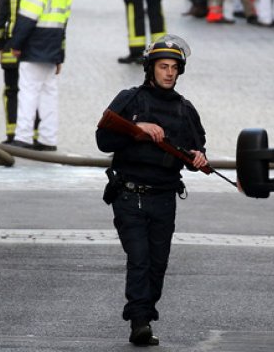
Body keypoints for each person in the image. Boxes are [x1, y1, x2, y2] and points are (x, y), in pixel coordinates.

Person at [95, 35, 208, 346]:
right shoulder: (130, 100)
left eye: (174, 68)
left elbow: (196, 151)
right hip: (129, 195)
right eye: (163, 67)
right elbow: (103, 139)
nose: (169, 73)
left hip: (164, 197)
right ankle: (139, 321)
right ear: (150, 68)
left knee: (158, 263)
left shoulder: (186, 110)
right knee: (140, 258)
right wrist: (139, 129)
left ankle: (145, 311)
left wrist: (198, 158)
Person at [8, 0, 72, 152]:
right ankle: (48, 139)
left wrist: (16, 44)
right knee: (48, 93)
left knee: (27, 90)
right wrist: (60, 54)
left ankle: (23, 137)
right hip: (53, 41)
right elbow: (64, 20)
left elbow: (28, 15)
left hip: (35, 40)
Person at [0, 0, 40, 143]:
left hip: (10, 52)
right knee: (33, 92)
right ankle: (33, 135)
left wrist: (0, 45)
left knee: (12, 92)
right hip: (33, 51)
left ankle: (11, 133)